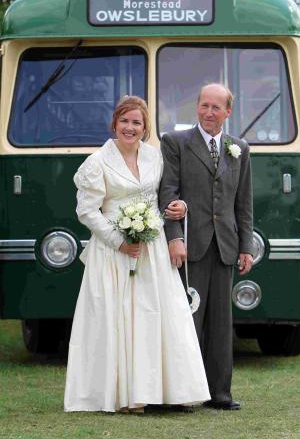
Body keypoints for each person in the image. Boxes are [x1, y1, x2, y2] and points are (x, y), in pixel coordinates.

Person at [64, 95, 210, 413]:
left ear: (145, 128)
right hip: (113, 254)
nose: (130, 128)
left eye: (137, 122)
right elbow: (87, 211)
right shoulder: (97, 162)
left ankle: (172, 391)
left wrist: (179, 208)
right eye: (125, 121)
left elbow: (166, 196)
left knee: (157, 317)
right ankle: (127, 396)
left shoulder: (155, 157)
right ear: (114, 123)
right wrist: (118, 240)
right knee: (118, 320)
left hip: (153, 249)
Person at [159, 83, 254, 411]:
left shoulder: (239, 147)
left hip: (225, 247)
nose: (209, 112)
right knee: (188, 321)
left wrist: (246, 247)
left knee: (221, 325)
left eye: (216, 107)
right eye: (204, 106)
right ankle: (185, 393)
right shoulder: (175, 143)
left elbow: (244, 204)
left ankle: (220, 394)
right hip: (190, 246)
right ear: (196, 107)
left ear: (228, 112)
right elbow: (167, 193)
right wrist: (175, 238)